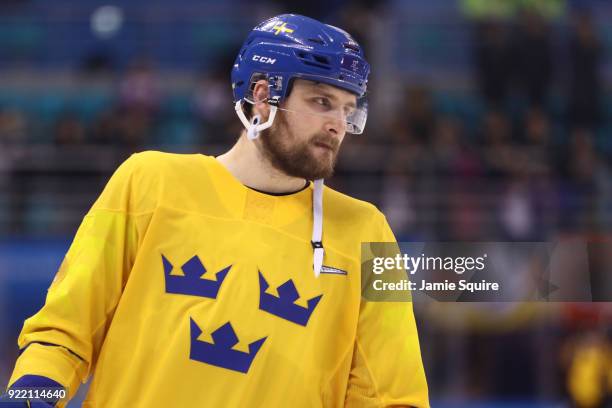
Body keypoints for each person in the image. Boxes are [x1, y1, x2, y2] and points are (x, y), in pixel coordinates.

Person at [2, 14, 429, 407]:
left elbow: (393, 394)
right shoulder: (146, 180)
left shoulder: (369, 232)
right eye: (321, 102)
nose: (337, 124)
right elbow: (61, 335)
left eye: (347, 110)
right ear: (263, 95)